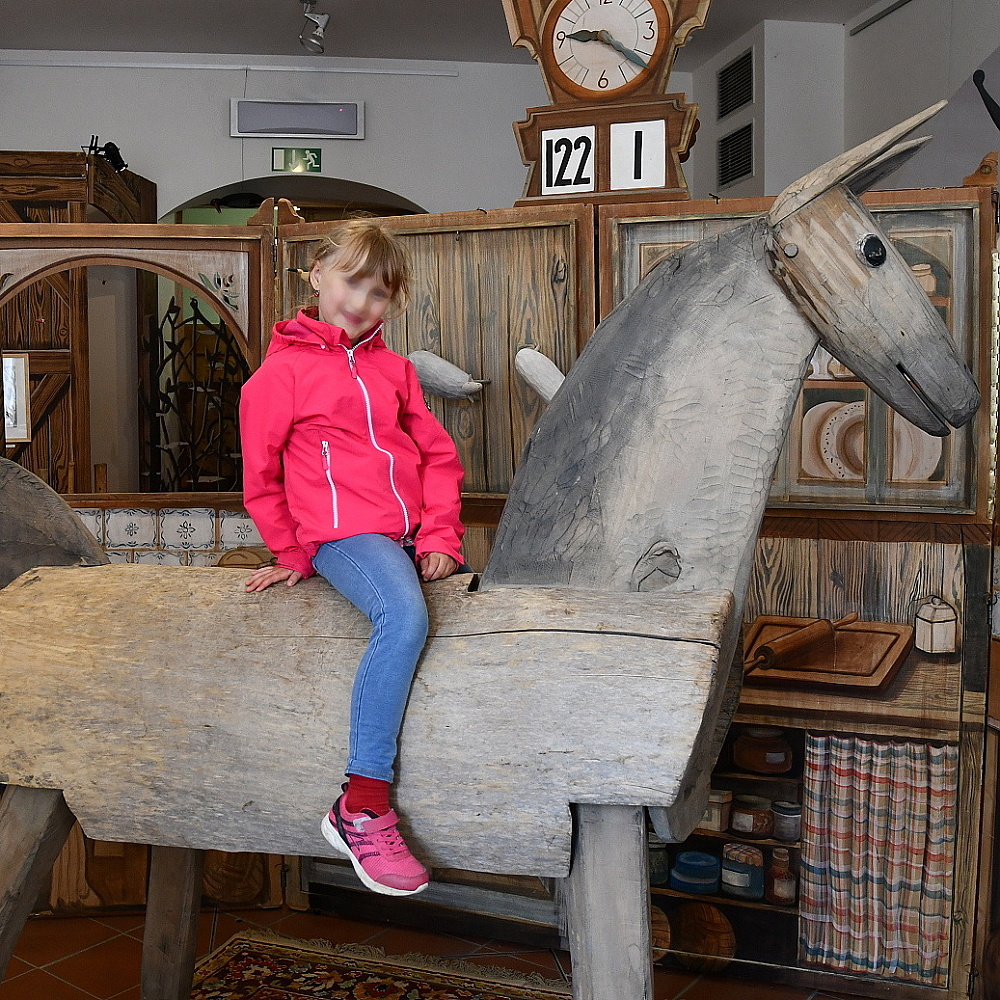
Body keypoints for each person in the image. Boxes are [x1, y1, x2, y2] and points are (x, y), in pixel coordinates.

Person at [239, 218, 465, 897]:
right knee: (404, 618)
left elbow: (437, 458)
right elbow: (261, 477)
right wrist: (293, 551)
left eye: (380, 292)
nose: (363, 302)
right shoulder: (279, 376)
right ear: (316, 275)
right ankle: (361, 805)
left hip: (404, 536)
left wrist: (440, 535)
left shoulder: (395, 371)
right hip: (344, 537)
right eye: (351, 282)